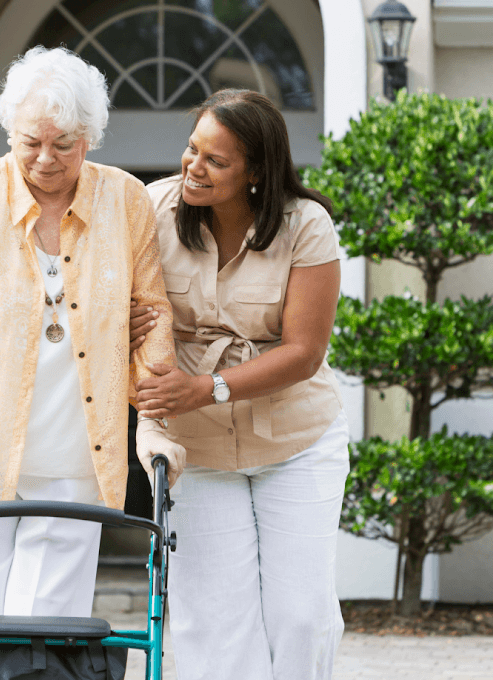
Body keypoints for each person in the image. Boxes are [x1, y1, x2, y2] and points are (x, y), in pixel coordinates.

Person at [0, 46, 184, 680]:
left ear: (91, 139)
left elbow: (151, 316)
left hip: (78, 462)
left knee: (44, 647)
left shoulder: (125, 201)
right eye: (31, 143)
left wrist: (154, 420)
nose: (46, 160)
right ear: (9, 132)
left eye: (65, 144)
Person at [132, 89, 349, 680]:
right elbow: (113, 300)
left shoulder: (307, 226)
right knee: (213, 619)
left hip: (296, 441)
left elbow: (304, 353)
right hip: (194, 447)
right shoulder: (151, 210)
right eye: (192, 149)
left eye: (215, 160)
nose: (193, 167)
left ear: (256, 171)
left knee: (300, 616)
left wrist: (206, 388)